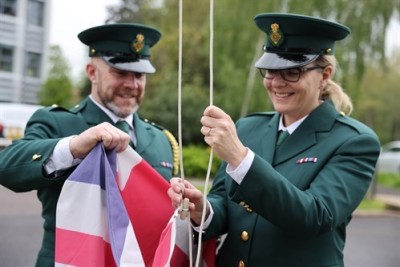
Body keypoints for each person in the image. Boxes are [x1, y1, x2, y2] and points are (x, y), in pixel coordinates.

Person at [168, 13, 381, 266]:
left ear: (325, 75)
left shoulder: (354, 141)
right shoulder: (249, 128)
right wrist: (203, 210)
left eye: (292, 72)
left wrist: (241, 158)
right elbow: (225, 203)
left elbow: (315, 217)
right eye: (271, 71)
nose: (277, 83)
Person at [0, 23, 179, 266]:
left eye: (139, 75)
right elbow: (7, 166)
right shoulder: (57, 123)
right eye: (120, 73)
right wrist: (73, 147)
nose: (132, 84)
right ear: (92, 72)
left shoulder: (161, 140)